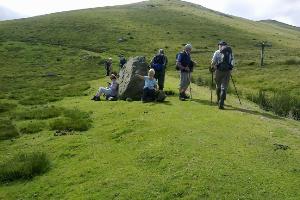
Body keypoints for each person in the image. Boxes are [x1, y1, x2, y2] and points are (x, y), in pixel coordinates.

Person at [210, 41, 235, 109]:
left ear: (220, 45)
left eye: (220, 45)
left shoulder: (217, 52)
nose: (219, 46)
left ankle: (218, 100)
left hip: (218, 71)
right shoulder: (230, 52)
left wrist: (212, 67)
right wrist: (230, 68)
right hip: (227, 71)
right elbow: (232, 63)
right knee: (224, 87)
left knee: (218, 86)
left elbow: (213, 62)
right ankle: (222, 102)